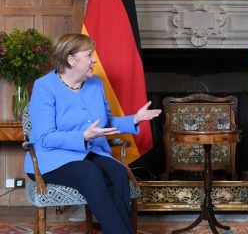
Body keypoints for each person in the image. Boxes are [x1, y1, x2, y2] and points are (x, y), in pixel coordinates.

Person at [24, 33, 161, 234]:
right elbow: (45, 137)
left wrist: (134, 119)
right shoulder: (44, 87)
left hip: (89, 153)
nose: (94, 60)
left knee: (118, 173)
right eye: (89, 55)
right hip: (52, 158)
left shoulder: (95, 84)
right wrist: (83, 137)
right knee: (90, 173)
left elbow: (106, 122)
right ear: (71, 60)